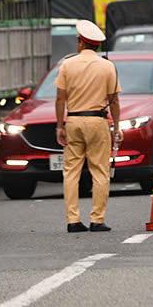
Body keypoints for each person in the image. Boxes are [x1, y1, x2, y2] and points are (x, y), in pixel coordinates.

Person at [55, 19, 122, 233]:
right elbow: (114, 100)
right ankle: (97, 219)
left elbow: (60, 99)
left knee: (71, 172)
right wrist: (117, 126)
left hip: (74, 120)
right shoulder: (107, 66)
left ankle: (72, 220)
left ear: (81, 43)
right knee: (100, 171)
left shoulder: (67, 64)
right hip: (97, 121)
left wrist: (59, 126)